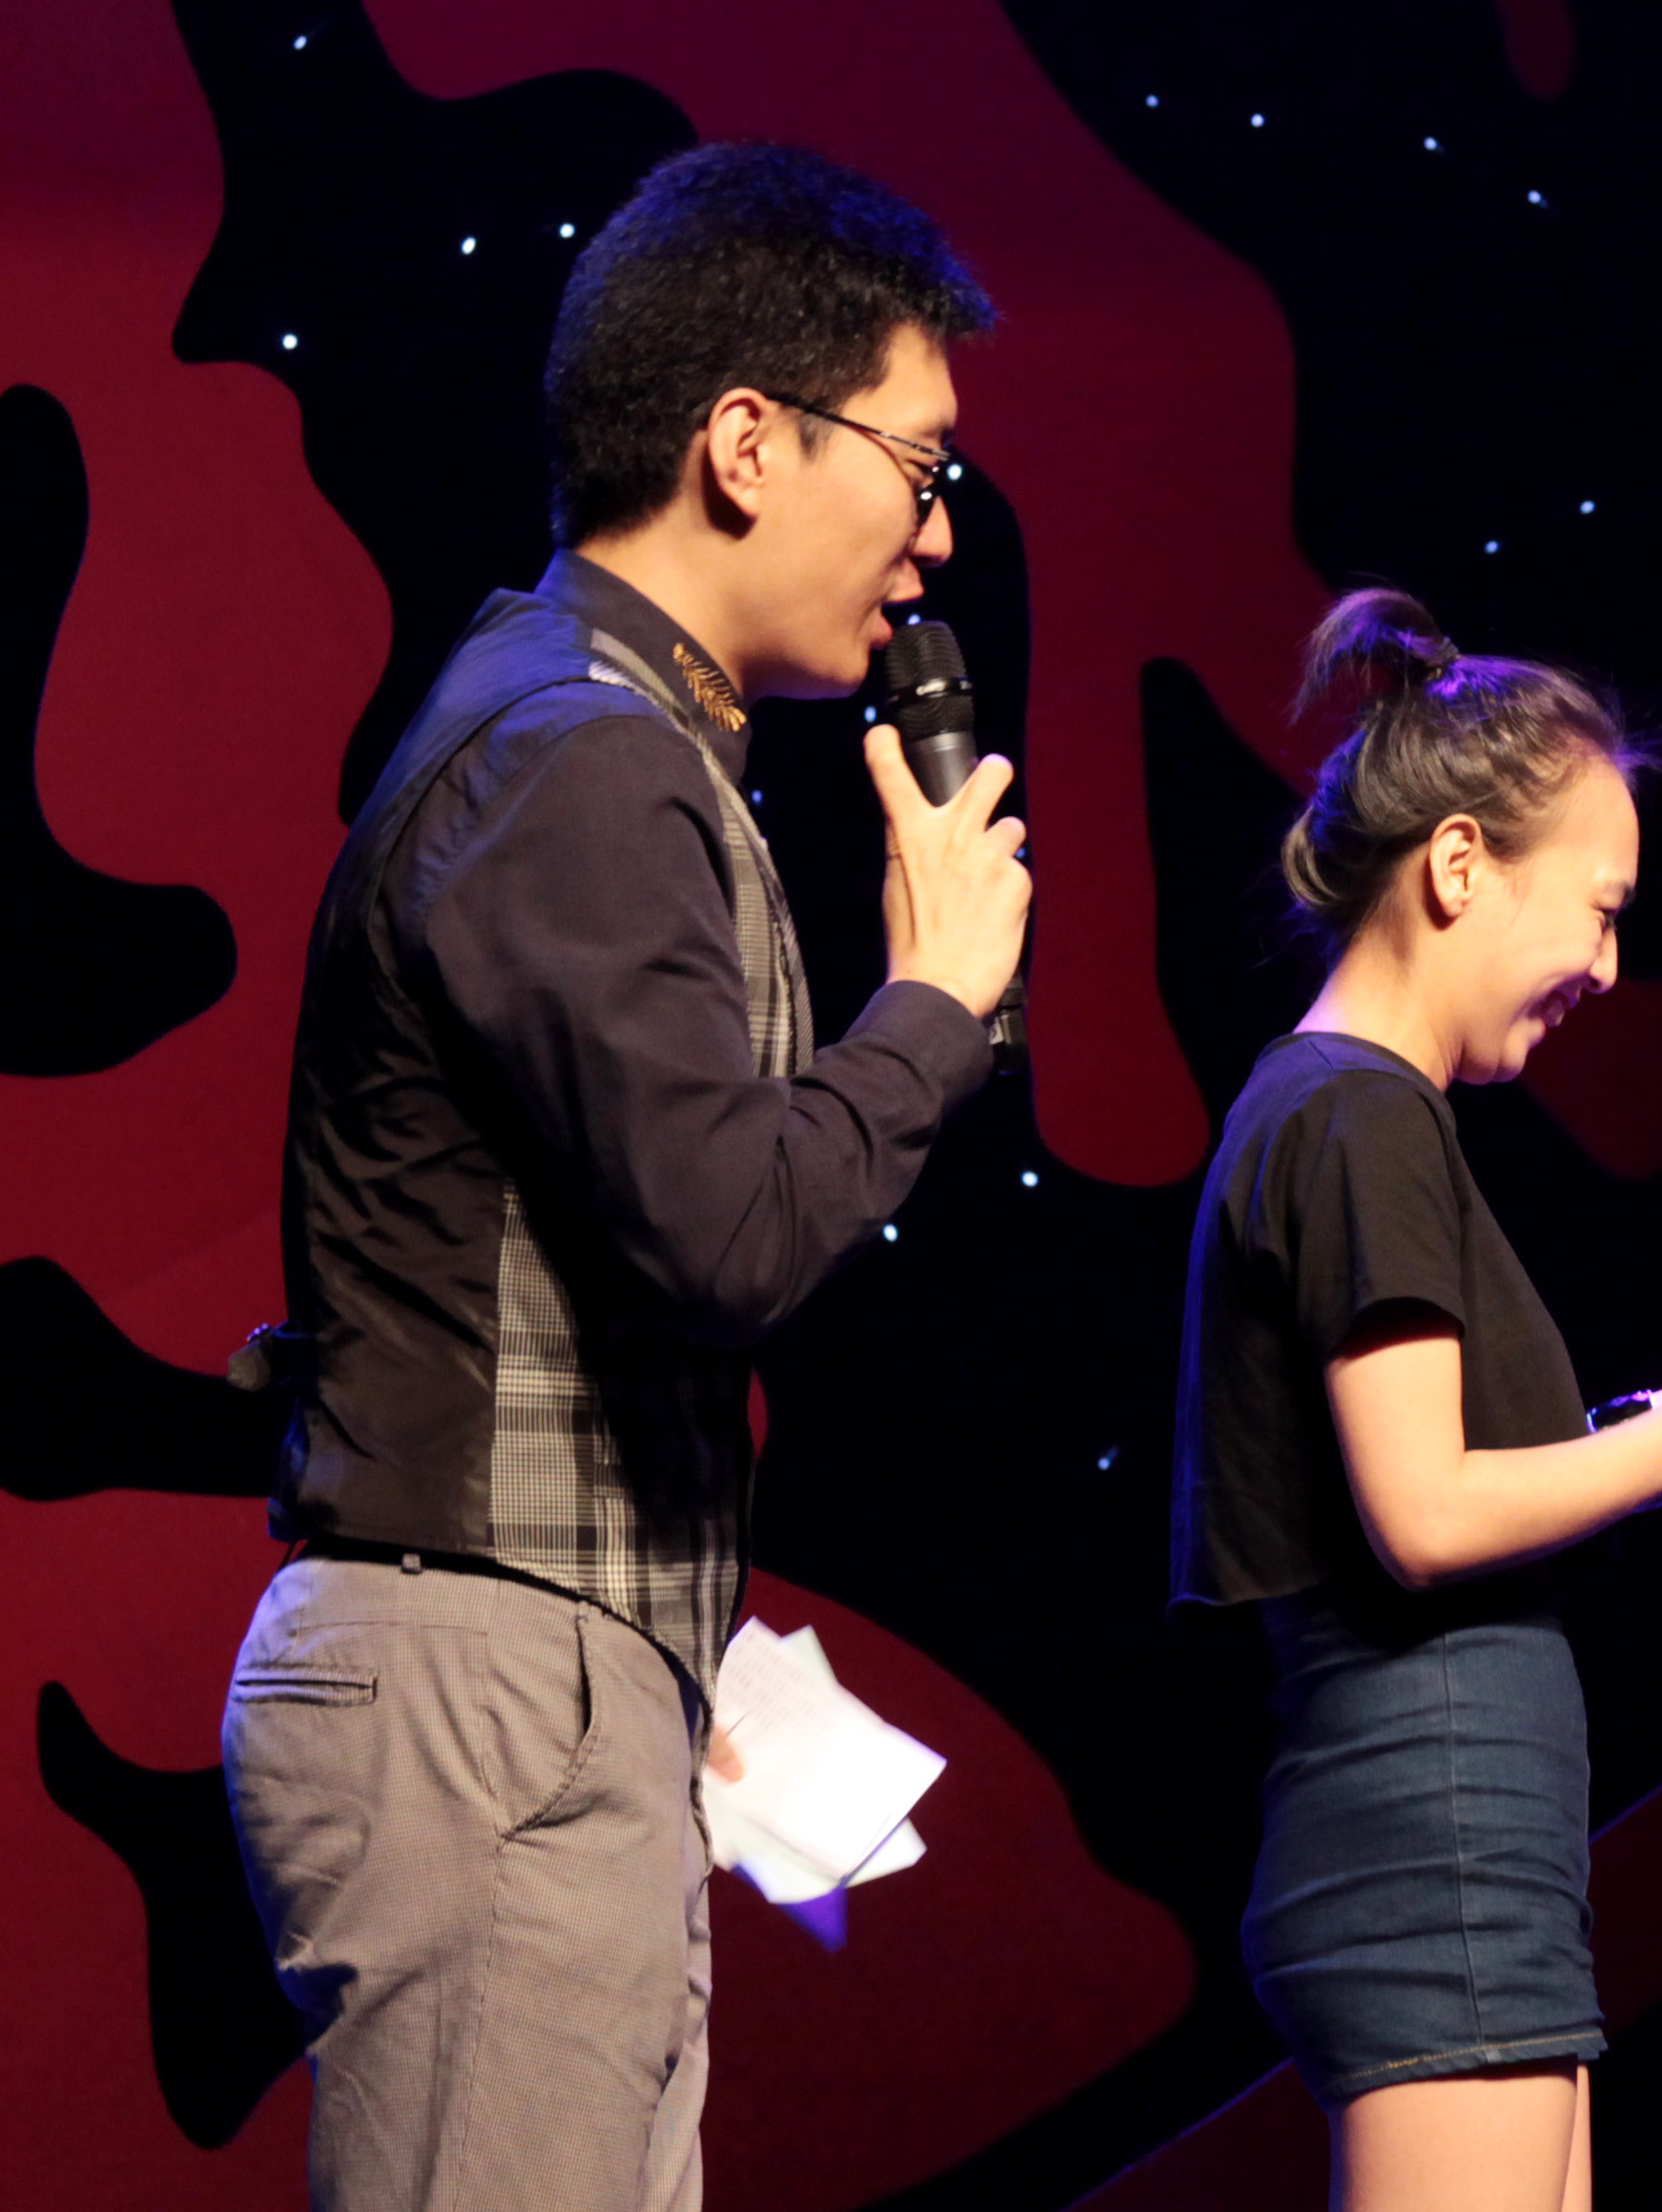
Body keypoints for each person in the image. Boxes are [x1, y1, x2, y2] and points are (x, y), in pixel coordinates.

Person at [222, 143, 1035, 2212]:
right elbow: (727, 1229)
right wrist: (931, 1002)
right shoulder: (577, 754)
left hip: (557, 1679)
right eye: (920, 465)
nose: (938, 536)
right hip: (492, 1686)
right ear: (747, 444)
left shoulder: (609, 741)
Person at [1172, 590, 1662, 2212]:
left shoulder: (1345, 1111)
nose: (1609, 970)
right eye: (1601, 913)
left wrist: (1652, 1445)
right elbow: (1425, 1516)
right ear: (1462, 865)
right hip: (1431, 1850)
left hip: (1466, 1857)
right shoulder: (1359, 1118)